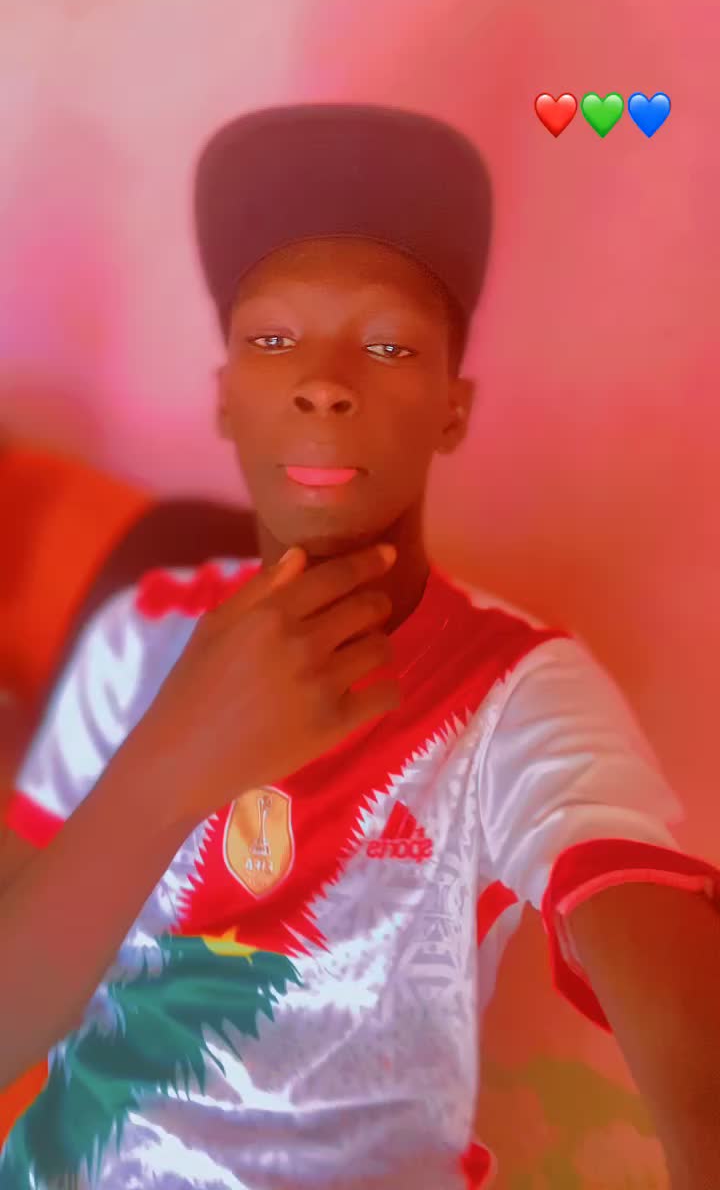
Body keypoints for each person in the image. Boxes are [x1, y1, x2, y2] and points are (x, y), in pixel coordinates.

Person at [0, 104, 719, 1190]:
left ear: (452, 410)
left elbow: (670, 989)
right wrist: (174, 757)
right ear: (225, 401)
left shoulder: (515, 689)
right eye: (271, 340)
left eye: (389, 345)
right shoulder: (137, 636)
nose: (325, 380)